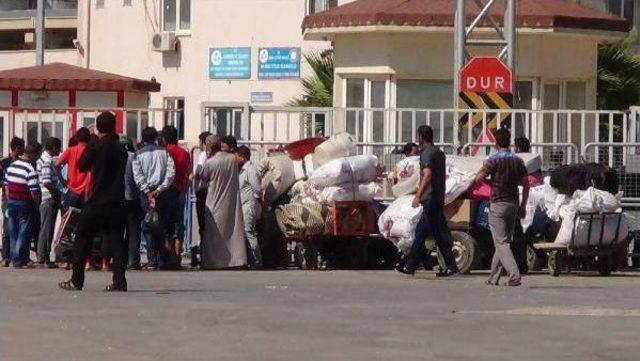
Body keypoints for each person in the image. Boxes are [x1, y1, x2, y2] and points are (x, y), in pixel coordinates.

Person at [59, 112, 129, 291]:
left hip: (97, 199)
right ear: (114, 126)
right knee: (116, 241)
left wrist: (92, 144)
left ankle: (77, 280)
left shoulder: (96, 146)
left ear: (98, 127)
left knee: (82, 238)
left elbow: (82, 165)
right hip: (116, 200)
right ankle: (119, 281)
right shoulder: (122, 149)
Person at [398, 125, 459, 277]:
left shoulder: (426, 154)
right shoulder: (438, 152)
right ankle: (411, 266)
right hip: (438, 197)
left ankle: (448, 265)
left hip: (430, 199)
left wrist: (418, 195)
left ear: (420, 137)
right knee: (429, 233)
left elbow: (427, 175)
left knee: (429, 233)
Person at [476, 128, 529, 287]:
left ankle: (514, 275)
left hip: (498, 204)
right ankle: (494, 277)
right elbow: (526, 184)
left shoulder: (493, 160)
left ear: (495, 143)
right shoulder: (518, 161)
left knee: (501, 243)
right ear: (510, 142)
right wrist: (523, 205)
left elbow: (479, 178)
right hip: (513, 204)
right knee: (504, 241)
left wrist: (491, 183)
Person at [199, 135, 247, 269]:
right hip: (231, 200)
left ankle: (214, 262)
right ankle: (236, 260)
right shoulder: (232, 159)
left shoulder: (210, 162)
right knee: (233, 231)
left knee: (214, 234)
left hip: (214, 200)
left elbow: (203, 177)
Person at [132, 127, 177, 270]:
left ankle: (152, 261)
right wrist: (160, 189)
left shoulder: (138, 154)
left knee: (148, 226)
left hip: (147, 193)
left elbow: (137, 175)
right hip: (162, 193)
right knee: (162, 225)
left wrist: (147, 191)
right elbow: (171, 173)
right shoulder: (165, 153)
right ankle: (162, 259)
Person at [5, 144, 41, 268]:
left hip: (12, 202)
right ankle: (19, 260)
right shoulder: (30, 170)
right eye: (37, 155)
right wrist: (37, 204)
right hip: (25, 203)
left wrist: (10, 199)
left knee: (13, 232)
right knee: (23, 232)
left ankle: (15, 258)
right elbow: (34, 191)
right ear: (32, 155)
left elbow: (6, 185)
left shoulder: (11, 166)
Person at [162, 125, 190, 261]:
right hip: (181, 192)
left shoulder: (165, 152)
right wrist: (183, 190)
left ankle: (170, 255)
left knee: (167, 225)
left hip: (167, 191)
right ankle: (178, 256)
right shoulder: (185, 153)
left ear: (165, 138)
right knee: (180, 224)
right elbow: (187, 173)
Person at [36, 137, 62, 268]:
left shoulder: (42, 159)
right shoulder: (46, 161)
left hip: (45, 197)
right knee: (47, 228)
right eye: (58, 147)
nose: (59, 150)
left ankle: (43, 256)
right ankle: (44, 258)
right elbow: (46, 181)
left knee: (45, 227)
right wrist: (56, 193)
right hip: (48, 197)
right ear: (53, 148)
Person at [236, 145, 263, 268]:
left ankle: (257, 261)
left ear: (242, 157)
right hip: (243, 205)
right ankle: (250, 260)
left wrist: (260, 205)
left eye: (237, 156)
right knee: (245, 232)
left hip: (249, 206)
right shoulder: (242, 170)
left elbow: (257, 190)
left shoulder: (250, 170)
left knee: (249, 232)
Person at [1, 137, 25, 267]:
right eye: (22, 147)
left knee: (19, 228)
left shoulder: (22, 163)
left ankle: (17, 255)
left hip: (20, 198)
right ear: (17, 148)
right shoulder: (4, 163)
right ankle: (6, 256)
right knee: (7, 228)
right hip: (7, 199)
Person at [121, 136, 143, 270]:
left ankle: (120, 259)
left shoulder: (117, 157)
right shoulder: (135, 157)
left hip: (118, 198)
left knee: (118, 231)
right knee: (133, 230)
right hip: (133, 198)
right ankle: (133, 260)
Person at [57, 127, 91, 212]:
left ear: (78, 138)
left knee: (69, 222)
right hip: (87, 191)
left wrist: (62, 180)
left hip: (72, 191)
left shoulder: (71, 150)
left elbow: (56, 165)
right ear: (89, 138)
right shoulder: (91, 151)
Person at [190, 131, 212, 268]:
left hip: (202, 191)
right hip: (209, 191)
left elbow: (199, 172)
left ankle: (204, 254)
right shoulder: (213, 156)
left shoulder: (204, 156)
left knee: (202, 224)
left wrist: (193, 176)